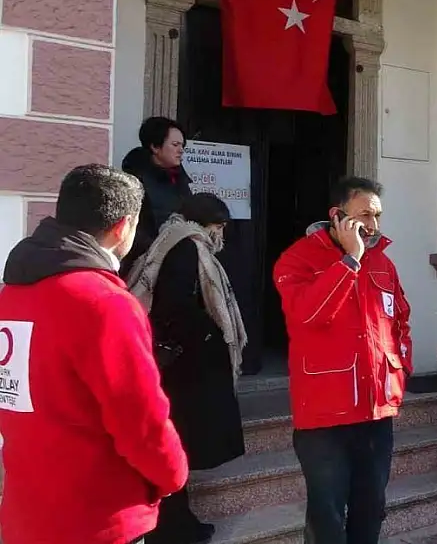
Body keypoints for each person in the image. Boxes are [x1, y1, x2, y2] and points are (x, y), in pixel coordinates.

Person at [0, 164, 189, 544]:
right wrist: (173, 475)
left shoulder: (12, 294)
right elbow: (141, 420)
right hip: (99, 517)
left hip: (27, 510)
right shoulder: (104, 302)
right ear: (123, 227)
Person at [273, 177, 412, 544]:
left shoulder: (384, 263)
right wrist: (350, 261)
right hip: (325, 414)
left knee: (371, 508)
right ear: (337, 216)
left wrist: (400, 373)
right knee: (327, 516)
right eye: (365, 214)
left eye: (378, 215)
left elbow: (399, 322)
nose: (374, 225)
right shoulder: (297, 259)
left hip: (376, 411)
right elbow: (306, 315)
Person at [127, 193, 248, 544]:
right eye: (219, 226)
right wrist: (210, 336)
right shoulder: (187, 248)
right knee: (177, 443)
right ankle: (174, 527)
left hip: (178, 364)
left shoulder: (172, 240)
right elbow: (176, 306)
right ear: (207, 222)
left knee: (177, 442)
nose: (221, 234)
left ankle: (178, 521)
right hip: (185, 368)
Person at [120, 116, 192, 275]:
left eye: (182, 145)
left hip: (178, 261)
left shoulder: (180, 179)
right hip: (145, 265)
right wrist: (160, 247)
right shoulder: (133, 181)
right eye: (175, 145)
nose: (181, 150)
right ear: (155, 147)